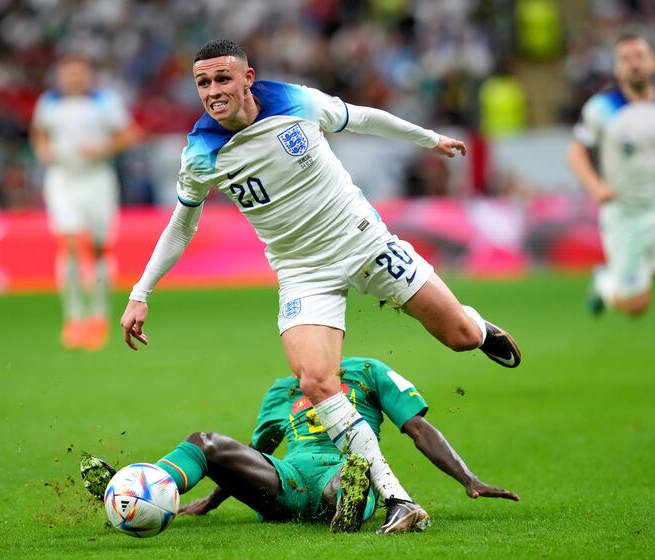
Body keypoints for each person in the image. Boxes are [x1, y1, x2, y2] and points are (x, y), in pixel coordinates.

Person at [119, 39, 521, 534]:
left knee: (458, 335)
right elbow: (181, 226)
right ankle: (397, 498)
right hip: (302, 271)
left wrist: (428, 139)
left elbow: (364, 118)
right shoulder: (201, 151)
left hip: (364, 241)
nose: (213, 91)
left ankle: (478, 326)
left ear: (248, 78)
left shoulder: (295, 102)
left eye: (223, 79)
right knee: (315, 379)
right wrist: (142, 292)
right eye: (203, 82)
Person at [80, 356, 519, 534]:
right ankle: (150, 486)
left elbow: (420, 429)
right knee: (206, 443)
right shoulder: (282, 389)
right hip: (285, 478)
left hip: (340, 468)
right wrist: (211, 502)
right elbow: (252, 452)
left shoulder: (367, 372)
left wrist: (468, 479)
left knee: (355, 469)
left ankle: (346, 501)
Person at [31, 54, 144, 351]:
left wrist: (103, 148)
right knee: (68, 244)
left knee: (98, 250)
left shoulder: (104, 102)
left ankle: (98, 316)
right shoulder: (49, 102)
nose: (74, 79)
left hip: (97, 180)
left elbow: (131, 133)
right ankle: (74, 318)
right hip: (62, 180)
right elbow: (39, 133)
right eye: (68, 74)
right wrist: (43, 149)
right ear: (60, 76)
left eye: (79, 73)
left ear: (89, 75)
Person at [568, 33, 655, 317]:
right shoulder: (602, 108)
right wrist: (595, 187)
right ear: (617, 69)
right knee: (635, 306)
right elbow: (576, 152)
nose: (634, 64)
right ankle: (605, 283)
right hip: (625, 213)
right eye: (626, 59)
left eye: (639, 57)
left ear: (653, 62)